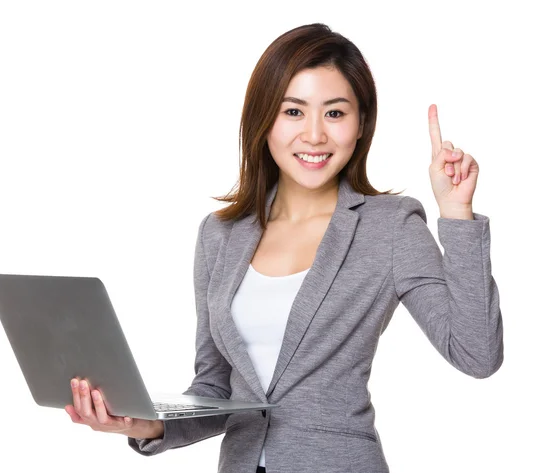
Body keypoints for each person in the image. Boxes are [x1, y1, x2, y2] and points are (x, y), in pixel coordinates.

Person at [64, 23, 504, 473]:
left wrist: (456, 215)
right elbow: (216, 391)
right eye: (294, 112)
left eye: (335, 113)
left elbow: (477, 355)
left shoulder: (390, 226)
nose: (314, 135)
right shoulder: (220, 235)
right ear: (263, 120)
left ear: (361, 124)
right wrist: (143, 424)